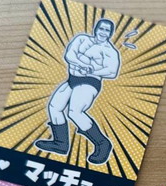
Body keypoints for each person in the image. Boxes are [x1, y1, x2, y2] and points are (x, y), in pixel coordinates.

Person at [34, 18, 120, 165]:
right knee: (54, 107)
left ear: (110, 33)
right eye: (101, 28)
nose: (103, 32)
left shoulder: (110, 51)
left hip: (90, 82)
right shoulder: (82, 39)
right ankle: (60, 143)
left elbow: (112, 71)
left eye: (107, 30)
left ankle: (102, 143)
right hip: (72, 78)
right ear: (96, 28)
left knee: (75, 112)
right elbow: (69, 55)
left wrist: (91, 70)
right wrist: (84, 64)